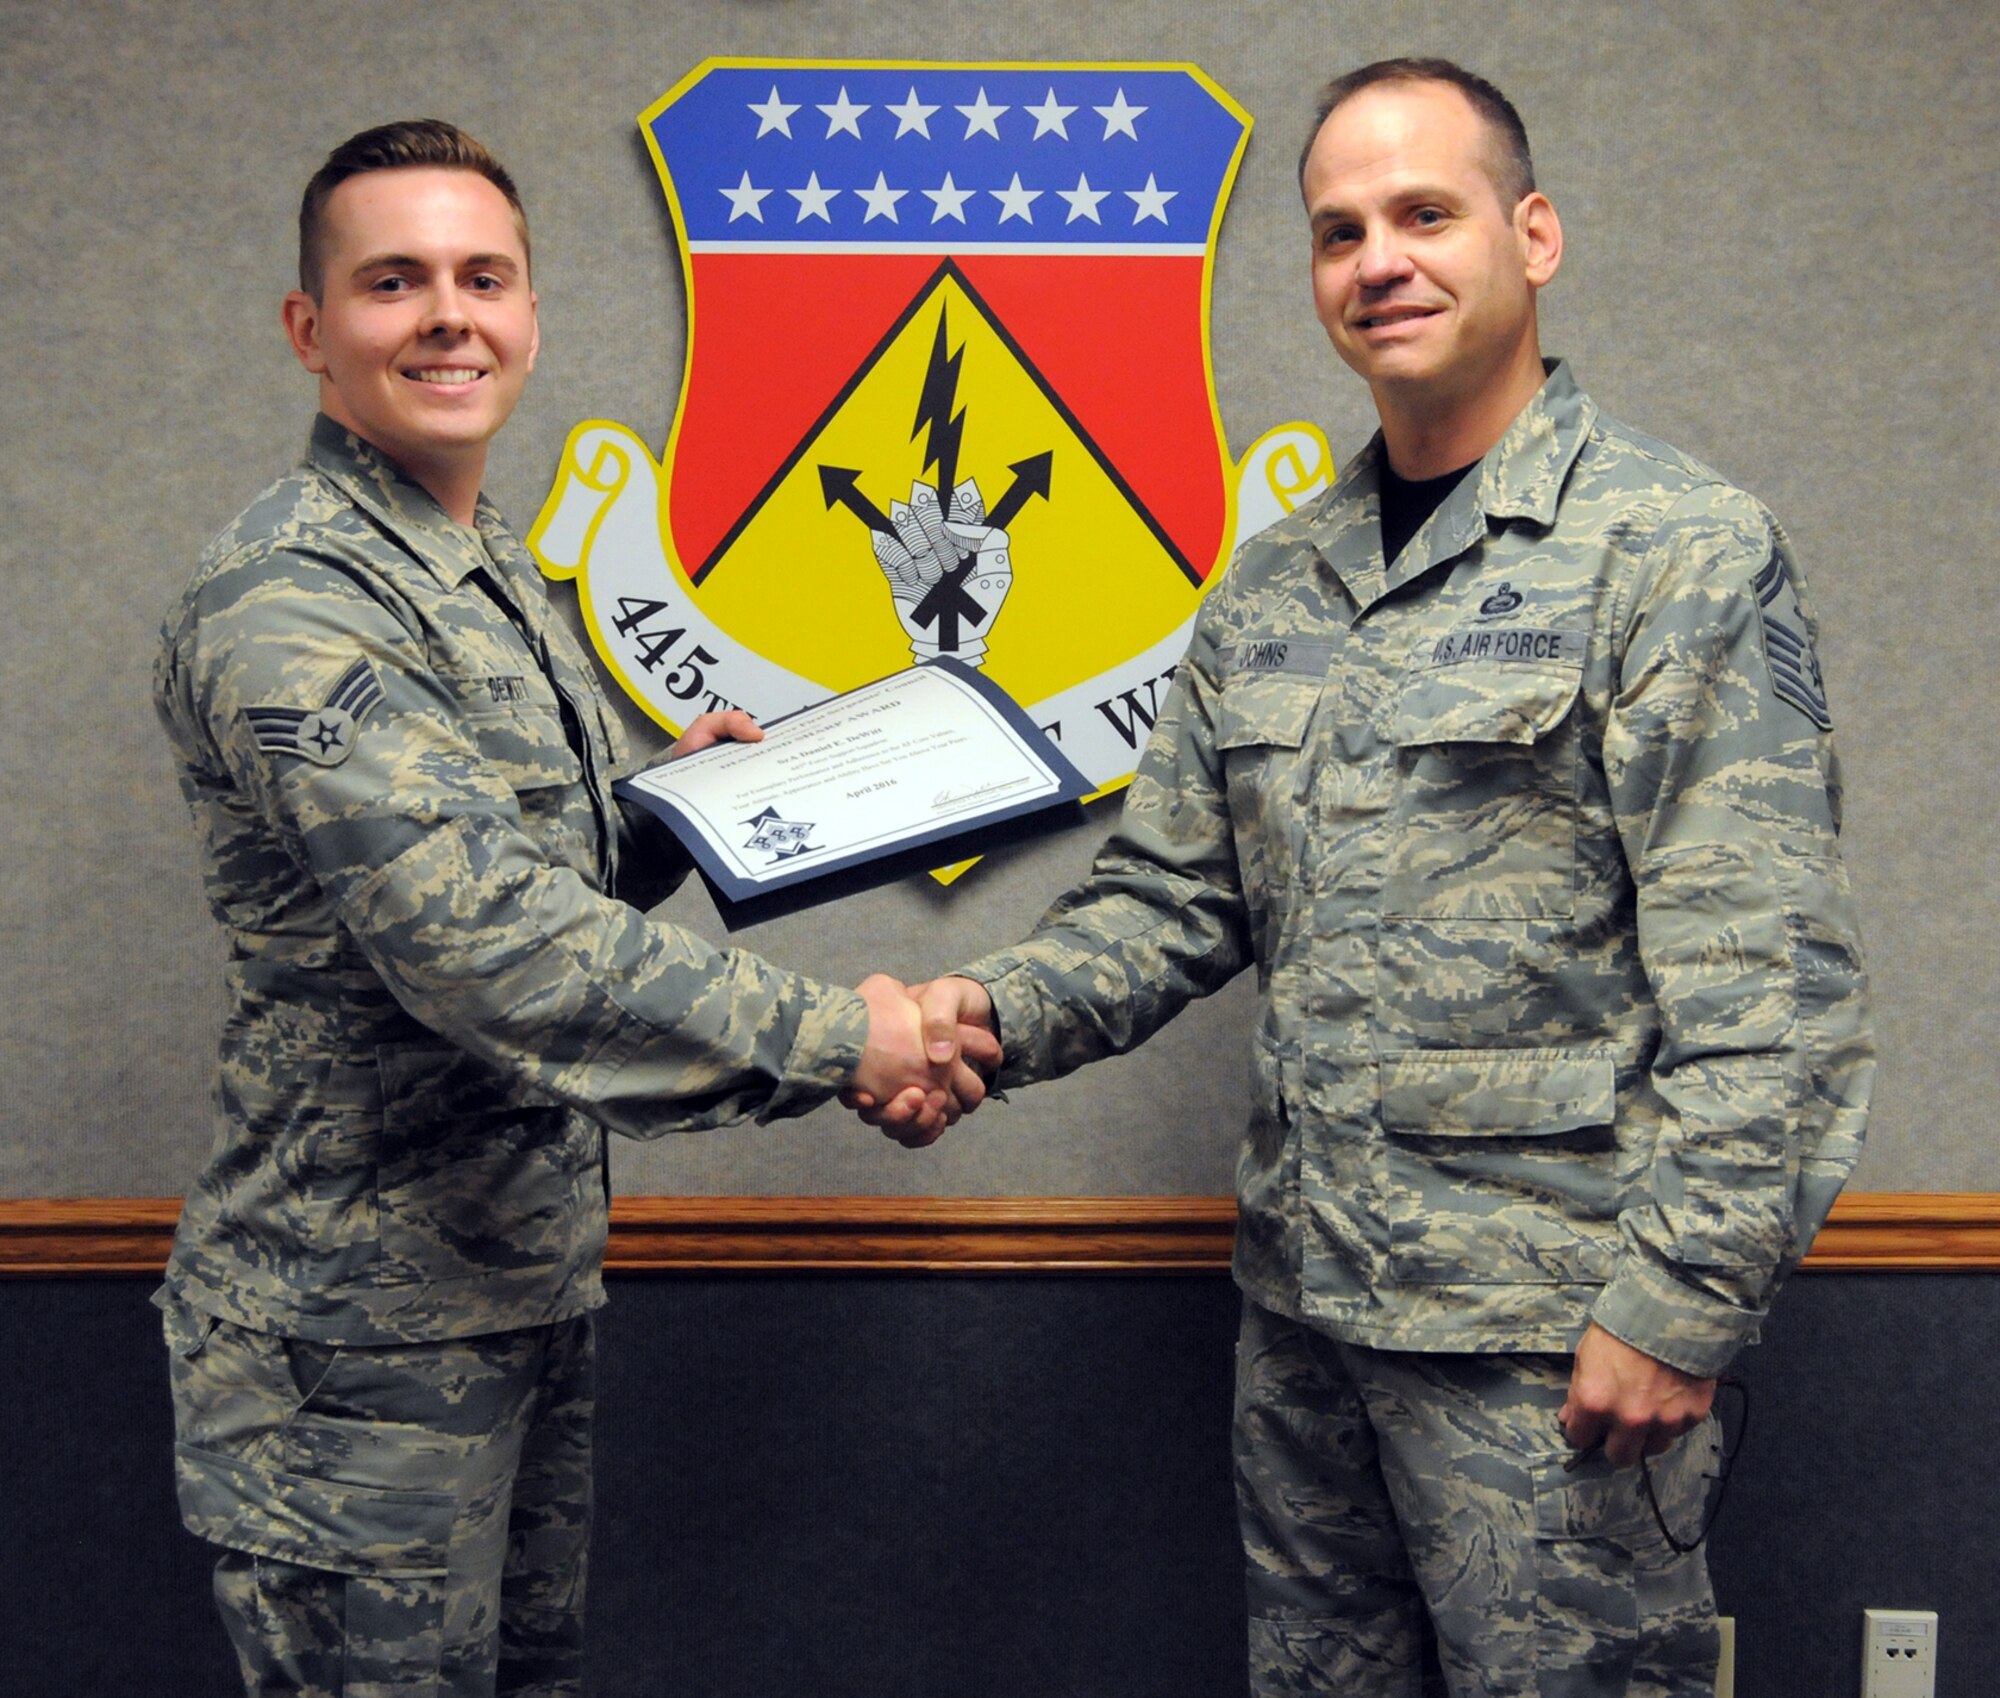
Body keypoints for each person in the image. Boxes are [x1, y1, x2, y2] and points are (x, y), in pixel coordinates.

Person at [856, 59, 1873, 1697]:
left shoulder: (1674, 549)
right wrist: (985, 1006)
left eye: (1424, 213)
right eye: (1339, 232)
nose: (1377, 260)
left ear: (1532, 236)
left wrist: (1683, 1295)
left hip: (1548, 1343)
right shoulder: (1276, 583)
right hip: (1309, 1321)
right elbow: (1172, 901)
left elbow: (1775, 980)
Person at [154, 119, 991, 1696]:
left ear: (533, 313)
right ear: (309, 329)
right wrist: (843, 1034)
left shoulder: (475, 568)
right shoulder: (293, 597)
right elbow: (483, 946)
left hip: (512, 1287)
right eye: (393, 281)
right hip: (354, 1349)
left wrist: (666, 812)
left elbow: (520, 875)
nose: (447, 316)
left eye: (485, 276)